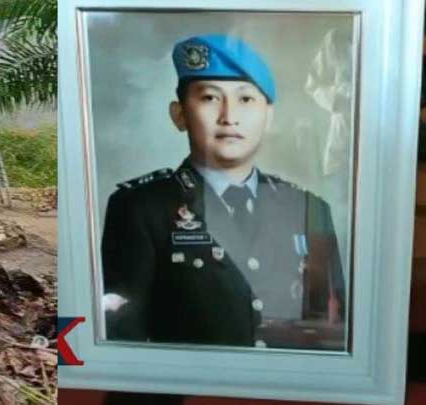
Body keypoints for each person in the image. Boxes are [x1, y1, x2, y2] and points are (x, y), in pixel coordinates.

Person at [100, 33, 346, 405]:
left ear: (268, 114)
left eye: (246, 99)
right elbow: (124, 344)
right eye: (210, 97)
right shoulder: (139, 207)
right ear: (180, 115)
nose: (229, 116)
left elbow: (331, 332)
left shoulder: (309, 209)